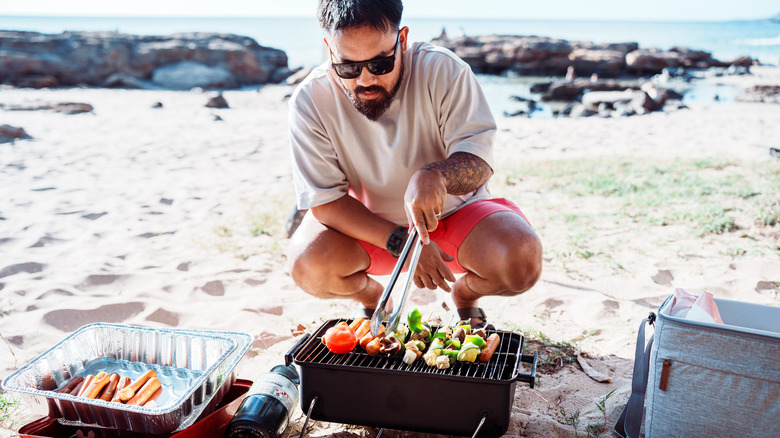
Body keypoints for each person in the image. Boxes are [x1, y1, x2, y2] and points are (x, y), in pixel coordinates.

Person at [286, 0, 542, 328]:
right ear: (329, 50)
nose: (364, 81)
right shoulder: (310, 99)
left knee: (522, 261)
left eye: (379, 64)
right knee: (306, 263)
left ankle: (464, 296)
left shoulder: (444, 70)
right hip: (367, 229)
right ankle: (374, 298)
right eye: (347, 67)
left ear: (402, 41)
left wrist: (437, 175)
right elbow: (324, 202)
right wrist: (404, 245)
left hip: (455, 216)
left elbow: (480, 161)